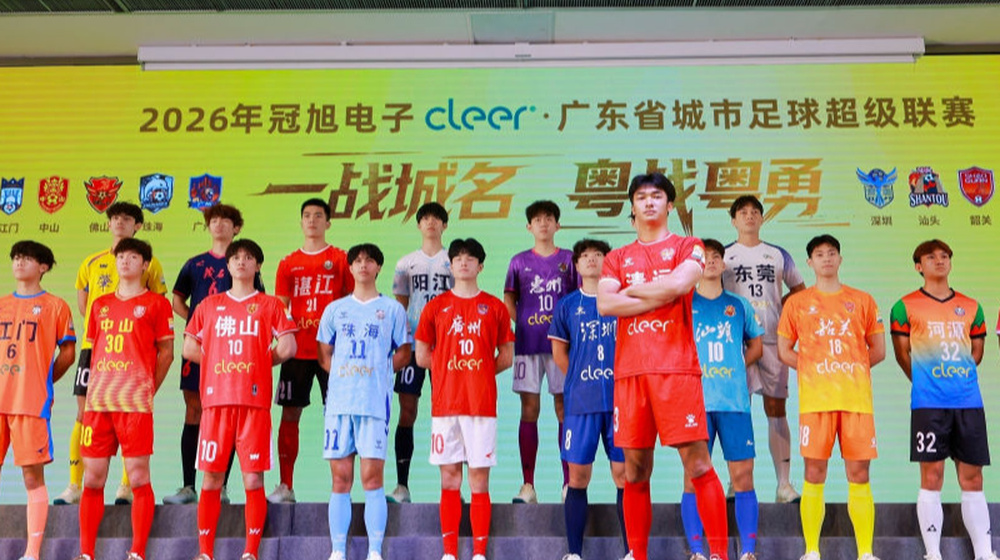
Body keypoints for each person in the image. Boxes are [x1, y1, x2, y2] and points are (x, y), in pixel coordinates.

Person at [596, 173, 729, 560]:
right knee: (634, 472)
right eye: (641, 197)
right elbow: (605, 304)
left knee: (699, 465)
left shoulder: (688, 246)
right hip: (631, 374)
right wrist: (661, 291)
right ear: (632, 207)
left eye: (657, 196)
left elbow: (678, 286)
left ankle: (720, 555)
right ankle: (637, 554)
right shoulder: (616, 258)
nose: (649, 202)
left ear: (670, 205)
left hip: (676, 370)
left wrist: (633, 290)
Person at [183, 239, 297, 560]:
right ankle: (205, 552)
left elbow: (288, 346)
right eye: (236, 257)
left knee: (253, 477)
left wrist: (260, 361)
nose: (242, 262)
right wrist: (216, 358)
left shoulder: (270, 304)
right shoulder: (209, 305)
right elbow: (189, 348)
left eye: (249, 258)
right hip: (216, 402)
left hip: (253, 404)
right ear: (228, 265)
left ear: (258, 266)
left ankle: (250, 552)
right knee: (211, 478)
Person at [776, 234, 885, 560]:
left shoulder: (862, 300)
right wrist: (814, 370)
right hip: (816, 402)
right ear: (809, 262)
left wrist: (848, 370)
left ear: (840, 259)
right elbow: (784, 350)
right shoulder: (797, 303)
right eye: (819, 254)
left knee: (859, 474)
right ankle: (812, 550)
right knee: (814, 473)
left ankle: (865, 552)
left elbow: (878, 350)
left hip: (856, 402)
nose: (826, 258)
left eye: (832, 253)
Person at [890, 239, 996, 560]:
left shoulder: (972, 306)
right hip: (928, 405)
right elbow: (902, 354)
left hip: (968, 402)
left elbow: (976, 352)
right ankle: (933, 553)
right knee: (932, 476)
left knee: (973, 478)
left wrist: (956, 377)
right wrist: (926, 380)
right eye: (931, 257)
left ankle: (984, 553)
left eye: (945, 256)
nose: (940, 260)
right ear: (918, 266)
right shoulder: (904, 306)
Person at [57, 201, 168, 506]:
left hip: (132, 355)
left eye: (127, 218)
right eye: (115, 218)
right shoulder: (91, 262)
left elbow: (155, 307)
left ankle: (125, 487)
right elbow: (85, 305)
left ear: (138, 225)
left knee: (129, 415)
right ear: (108, 223)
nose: (120, 222)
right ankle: (75, 485)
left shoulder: (150, 263)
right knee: (83, 414)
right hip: (95, 349)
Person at [74, 238, 174, 560]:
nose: (126, 261)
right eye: (121, 257)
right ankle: (86, 553)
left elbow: (167, 353)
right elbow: (91, 353)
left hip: (134, 404)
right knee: (93, 477)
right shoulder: (100, 304)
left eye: (133, 257)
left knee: (139, 476)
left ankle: (137, 552)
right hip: (99, 402)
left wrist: (147, 388)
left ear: (145, 265)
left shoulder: (157, 304)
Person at [415, 238, 515, 560]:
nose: (463, 262)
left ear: (480, 266)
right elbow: (421, 355)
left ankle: (479, 552)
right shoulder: (436, 307)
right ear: (451, 265)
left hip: (481, 406)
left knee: (478, 479)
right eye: (457, 257)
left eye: (470, 258)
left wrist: (479, 371)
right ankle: (449, 553)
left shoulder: (494, 307)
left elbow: (507, 355)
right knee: (449, 478)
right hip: (445, 406)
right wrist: (449, 370)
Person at [165, 203, 264, 506]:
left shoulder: (244, 265)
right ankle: (188, 486)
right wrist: (200, 327)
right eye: (214, 220)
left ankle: (220, 487)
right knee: (194, 410)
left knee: (230, 416)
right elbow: (177, 300)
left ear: (237, 228)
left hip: (234, 353)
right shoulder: (194, 264)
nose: (218, 224)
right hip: (200, 349)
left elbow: (258, 306)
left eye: (225, 220)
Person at [318, 243, 411, 560]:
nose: (363, 265)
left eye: (369, 260)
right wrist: (347, 375)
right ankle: (337, 551)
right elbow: (324, 355)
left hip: (373, 404)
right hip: (340, 404)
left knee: (372, 478)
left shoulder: (392, 310)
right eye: (357, 261)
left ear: (378, 267)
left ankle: (374, 551)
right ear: (350, 267)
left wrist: (378, 373)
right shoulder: (335, 310)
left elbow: (404, 353)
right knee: (340, 478)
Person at [683, 239, 764, 560]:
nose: (711, 262)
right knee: (693, 477)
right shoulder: (684, 304)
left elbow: (756, 346)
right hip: (695, 403)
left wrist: (735, 365)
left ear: (724, 264)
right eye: (705, 257)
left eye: (716, 256)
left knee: (742, 476)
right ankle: (697, 551)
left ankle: (748, 551)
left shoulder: (739, 305)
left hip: (734, 403)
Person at [547, 238, 628, 560]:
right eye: (585, 256)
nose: (592, 259)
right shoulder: (567, 305)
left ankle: (632, 551)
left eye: (598, 254)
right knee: (578, 476)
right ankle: (574, 553)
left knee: (624, 475)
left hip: (620, 401)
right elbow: (559, 352)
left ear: (608, 261)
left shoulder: (622, 301)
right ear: (577, 265)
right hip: (581, 403)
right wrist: (581, 379)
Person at [722, 195, 805, 503]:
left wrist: (779, 310)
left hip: (771, 339)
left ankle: (784, 485)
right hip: (736, 342)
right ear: (734, 220)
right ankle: (737, 481)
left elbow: (799, 289)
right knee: (736, 411)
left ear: (761, 218)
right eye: (743, 212)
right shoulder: (724, 256)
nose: (749, 216)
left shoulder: (778, 254)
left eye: (755, 211)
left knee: (776, 409)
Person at [270, 198, 354, 503]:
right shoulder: (288, 262)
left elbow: (353, 302)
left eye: (318, 215)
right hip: (297, 351)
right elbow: (280, 309)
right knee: (290, 413)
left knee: (338, 416)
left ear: (327, 223)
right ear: (301, 222)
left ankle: (340, 487)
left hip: (334, 351)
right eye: (307, 215)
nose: (312, 220)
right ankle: (286, 485)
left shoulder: (341, 259)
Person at [0, 241, 76, 560]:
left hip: (30, 403)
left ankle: (32, 553)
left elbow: (68, 353)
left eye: (27, 258)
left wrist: (42, 379)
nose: (19, 262)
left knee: (32, 478)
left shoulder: (55, 306)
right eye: (16, 257)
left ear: (43, 267)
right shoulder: (2, 304)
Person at [504, 200, 579, 503]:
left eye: (549, 218)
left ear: (557, 225)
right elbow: (509, 300)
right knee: (529, 409)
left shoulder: (569, 259)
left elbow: (578, 298)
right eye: (537, 219)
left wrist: (569, 332)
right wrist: (522, 325)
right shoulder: (518, 262)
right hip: (528, 345)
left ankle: (568, 483)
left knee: (563, 408)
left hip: (561, 345)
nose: (543, 223)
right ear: (529, 227)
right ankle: (528, 485)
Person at [388, 202, 453, 504]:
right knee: (407, 411)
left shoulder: (454, 261)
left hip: (446, 346)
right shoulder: (406, 263)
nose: (430, 223)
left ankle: (450, 487)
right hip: (414, 345)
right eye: (425, 218)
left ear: (444, 225)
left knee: (448, 414)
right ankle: (402, 485)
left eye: (436, 219)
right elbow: (400, 305)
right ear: (418, 225)